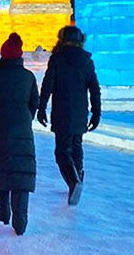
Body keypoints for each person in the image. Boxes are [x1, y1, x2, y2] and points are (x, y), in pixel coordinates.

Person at [0, 33, 39, 236]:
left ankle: (2, 217)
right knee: (21, 172)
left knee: (0, 170)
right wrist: (25, 118)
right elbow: (35, 103)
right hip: (22, 126)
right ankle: (20, 222)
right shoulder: (28, 76)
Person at [37, 26, 101, 206]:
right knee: (76, 146)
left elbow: (48, 84)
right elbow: (94, 89)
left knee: (62, 151)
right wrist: (96, 112)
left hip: (62, 111)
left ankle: (74, 182)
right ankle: (78, 178)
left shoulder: (57, 59)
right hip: (81, 111)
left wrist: (41, 107)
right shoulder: (87, 61)